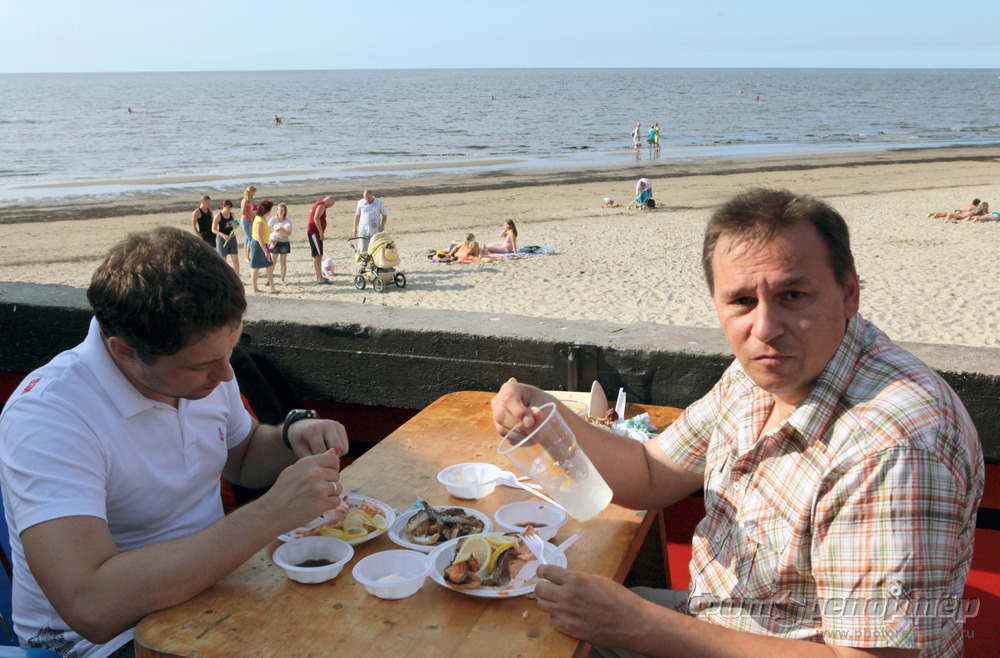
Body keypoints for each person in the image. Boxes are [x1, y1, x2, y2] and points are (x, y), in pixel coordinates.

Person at [490, 188, 983, 657]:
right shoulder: (762, 374)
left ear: (848, 292)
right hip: (714, 620)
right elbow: (651, 471)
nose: (764, 328)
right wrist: (544, 414)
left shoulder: (895, 445)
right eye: (742, 301)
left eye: (793, 295)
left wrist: (638, 624)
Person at [0, 227, 349, 657]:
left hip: (214, 593)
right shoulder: (51, 416)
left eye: (230, 351)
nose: (226, 375)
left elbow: (241, 457)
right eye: (201, 365)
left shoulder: (201, 369)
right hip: (103, 642)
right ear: (125, 351)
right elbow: (92, 605)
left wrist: (291, 436)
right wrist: (271, 513)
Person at [249, 200, 278, 294]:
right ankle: (255, 288)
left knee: (269, 266)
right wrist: (266, 251)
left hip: (263, 244)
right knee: (256, 267)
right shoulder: (260, 221)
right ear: (267, 210)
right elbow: (260, 238)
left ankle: (272, 288)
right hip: (258, 245)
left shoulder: (262, 218)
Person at [307, 197, 335, 285]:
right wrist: (321, 232)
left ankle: (320, 276)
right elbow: (316, 217)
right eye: (331, 204)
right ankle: (319, 278)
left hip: (314, 232)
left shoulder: (319, 204)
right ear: (330, 201)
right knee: (318, 255)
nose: (330, 206)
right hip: (314, 232)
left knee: (319, 254)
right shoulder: (321, 205)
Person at [212, 199, 241, 277]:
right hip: (222, 239)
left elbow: (235, 227)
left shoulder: (232, 214)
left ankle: (237, 278)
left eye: (230, 208)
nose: (229, 209)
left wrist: (235, 225)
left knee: (235, 259)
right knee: (223, 260)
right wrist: (223, 235)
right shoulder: (218, 216)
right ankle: (222, 277)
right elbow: (213, 229)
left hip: (232, 238)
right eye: (228, 208)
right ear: (223, 206)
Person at [353, 190, 387, 255]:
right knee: (363, 248)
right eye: (366, 198)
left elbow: (384, 215)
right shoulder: (360, 202)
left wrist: (382, 224)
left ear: (372, 195)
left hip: (375, 229)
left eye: (369, 198)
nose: (367, 200)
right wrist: (354, 227)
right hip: (363, 229)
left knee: (375, 248)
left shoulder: (379, 202)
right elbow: (357, 215)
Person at [268, 202, 292, 285]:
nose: (280, 212)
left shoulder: (288, 221)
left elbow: (289, 233)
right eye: (279, 210)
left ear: (285, 211)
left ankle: (282, 280)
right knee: (273, 262)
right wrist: (271, 239)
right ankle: (269, 279)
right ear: (277, 211)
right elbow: (266, 231)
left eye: (282, 210)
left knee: (283, 262)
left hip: (284, 242)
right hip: (275, 242)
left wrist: (283, 230)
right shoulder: (273, 219)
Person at [240, 186, 258, 265]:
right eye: (253, 193)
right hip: (245, 221)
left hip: (250, 220)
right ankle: (252, 256)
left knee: (247, 239)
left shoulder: (250, 200)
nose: (254, 194)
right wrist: (252, 215)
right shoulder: (245, 200)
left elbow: (249, 210)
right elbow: (243, 212)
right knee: (251, 238)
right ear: (251, 192)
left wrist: (253, 214)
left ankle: (247, 257)